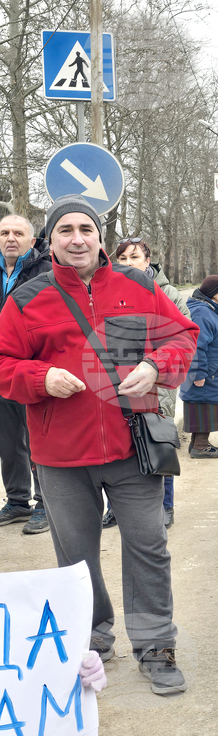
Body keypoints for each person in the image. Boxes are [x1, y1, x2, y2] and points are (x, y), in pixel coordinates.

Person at [0, 194, 198, 694]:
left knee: (148, 547)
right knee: (76, 557)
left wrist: (156, 366)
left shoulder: (138, 283)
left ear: (100, 235)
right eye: (65, 230)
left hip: (134, 448)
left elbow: (183, 336)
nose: (77, 238)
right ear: (52, 240)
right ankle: (91, 636)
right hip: (60, 455)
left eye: (85, 228)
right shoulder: (25, 299)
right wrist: (42, 378)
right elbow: (4, 365)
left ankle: (155, 645)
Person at [105, 237, 190, 529]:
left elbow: (183, 335)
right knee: (117, 444)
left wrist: (153, 364)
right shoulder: (108, 290)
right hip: (116, 382)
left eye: (134, 257)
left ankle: (165, 505)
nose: (129, 263)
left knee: (156, 440)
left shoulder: (165, 292)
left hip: (156, 381)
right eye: (123, 258)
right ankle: (115, 507)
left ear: (147, 260)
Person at [0, 214, 51, 535]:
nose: (10, 238)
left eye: (18, 233)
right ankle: (18, 501)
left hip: (32, 367)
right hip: (2, 370)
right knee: (8, 441)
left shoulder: (45, 271)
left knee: (37, 438)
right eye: (4, 232)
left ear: (31, 241)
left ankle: (45, 502)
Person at [179, 275, 218, 458]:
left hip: (211, 370)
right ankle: (200, 447)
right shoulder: (202, 313)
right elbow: (197, 346)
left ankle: (198, 443)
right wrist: (199, 372)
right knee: (205, 403)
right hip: (207, 372)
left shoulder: (209, 309)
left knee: (204, 403)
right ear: (214, 293)